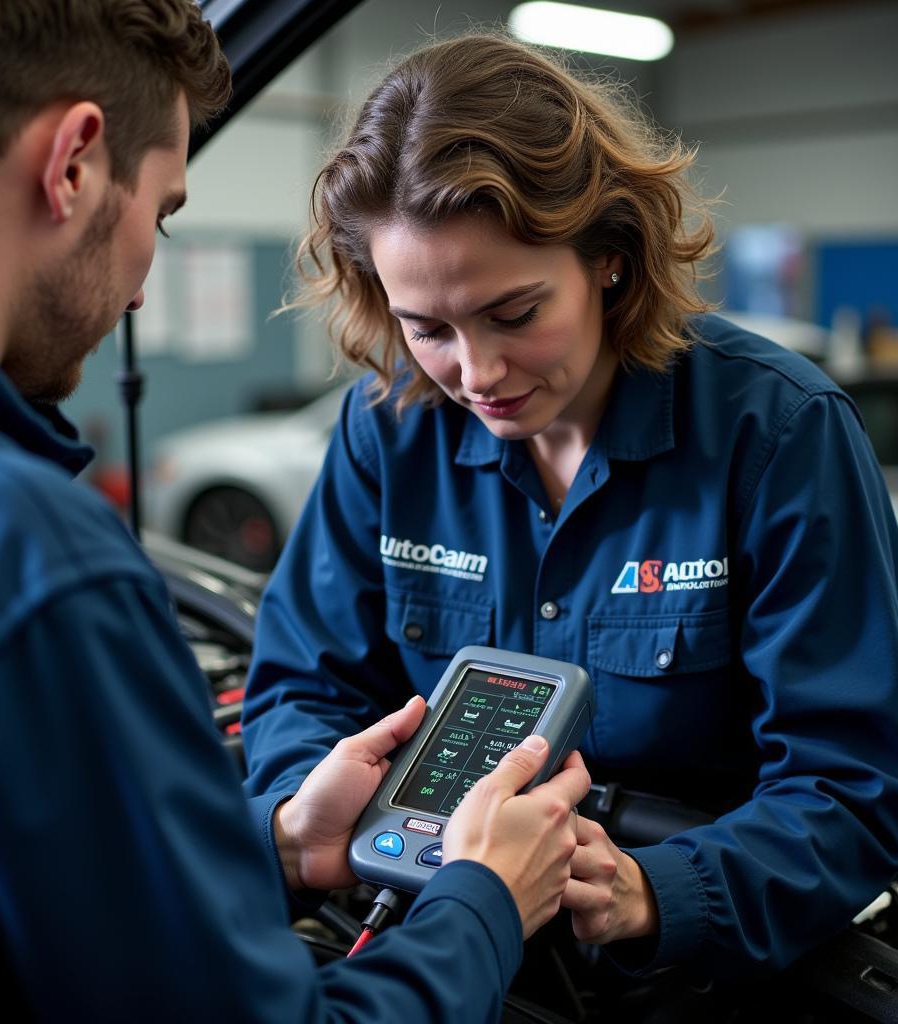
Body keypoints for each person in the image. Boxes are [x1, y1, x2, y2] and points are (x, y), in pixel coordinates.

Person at [0, 5, 593, 1020]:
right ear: (74, 162)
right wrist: (480, 903)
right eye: (162, 212)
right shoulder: (27, 558)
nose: (137, 288)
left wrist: (286, 842)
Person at [241, 31, 898, 998]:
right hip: (438, 958)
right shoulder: (385, 429)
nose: (477, 374)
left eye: (513, 314)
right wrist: (307, 811)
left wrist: (651, 891)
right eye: (428, 328)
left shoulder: (780, 434)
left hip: (692, 979)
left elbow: (851, 786)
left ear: (611, 257)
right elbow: (302, 686)